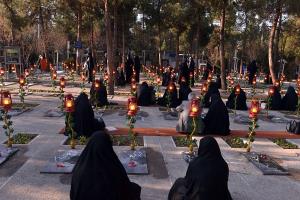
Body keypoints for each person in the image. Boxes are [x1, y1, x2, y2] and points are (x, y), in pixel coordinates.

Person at [70, 131, 141, 200]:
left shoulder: (80, 167)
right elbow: (123, 187)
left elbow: (74, 192)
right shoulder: (112, 168)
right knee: (135, 189)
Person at [168, 136, 232, 200]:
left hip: (199, 197)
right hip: (219, 196)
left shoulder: (195, 163)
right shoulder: (223, 165)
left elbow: (188, 183)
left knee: (179, 182)